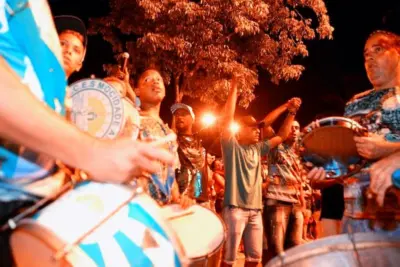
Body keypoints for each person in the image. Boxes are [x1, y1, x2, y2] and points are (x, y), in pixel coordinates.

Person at [0, 3, 175, 266]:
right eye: (63, 45)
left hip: (35, 204)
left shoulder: (59, 90)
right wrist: (91, 152)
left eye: (76, 49)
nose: (67, 51)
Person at [308, 30, 400, 235]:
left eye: (379, 50)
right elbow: (350, 166)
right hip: (355, 221)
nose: (370, 58)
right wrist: (328, 176)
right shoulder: (354, 103)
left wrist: (388, 150)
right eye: (366, 54)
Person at [220, 75, 301, 267]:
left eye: (257, 128)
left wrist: (290, 110)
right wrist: (234, 87)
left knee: (254, 259)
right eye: (251, 128)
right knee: (228, 260)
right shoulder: (231, 147)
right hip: (235, 209)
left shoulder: (258, 149)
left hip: (256, 210)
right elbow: (227, 118)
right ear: (240, 132)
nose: (257, 131)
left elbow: (282, 135)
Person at [136, 69, 194, 208]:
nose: (155, 81)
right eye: (147, 79)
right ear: (137, 91)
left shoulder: (169, 134)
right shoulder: (132, 119)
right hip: (139, 209)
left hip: (163, 213)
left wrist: (179, 200)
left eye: (159, 79)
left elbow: (170, 175)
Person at [263, 120, 305, 262]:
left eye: (297, 128)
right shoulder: (276, 147)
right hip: (277, 202)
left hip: (295, 204)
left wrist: (302, 203)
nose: (294, 130)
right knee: (276, 251)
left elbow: (298, 181)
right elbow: (265, 125)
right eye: (291, 127)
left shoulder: (299, 153)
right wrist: (289, 111)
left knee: (294, 249)